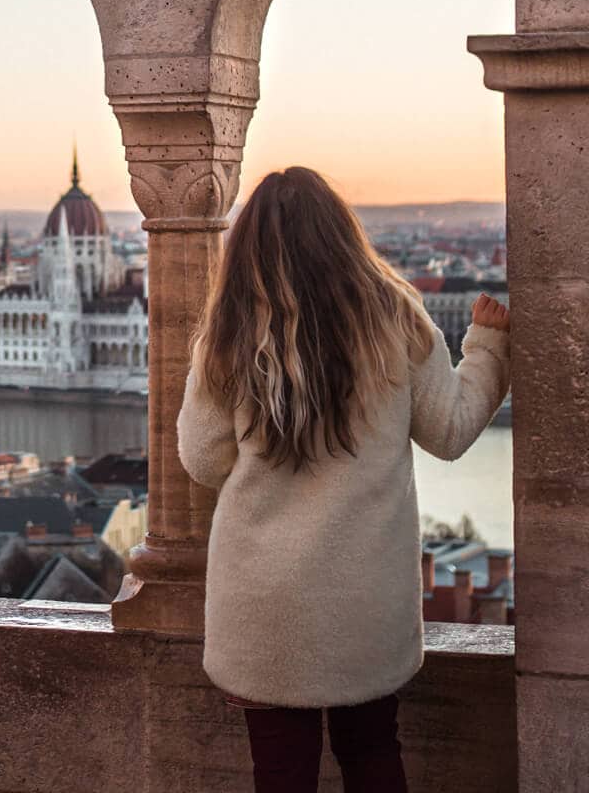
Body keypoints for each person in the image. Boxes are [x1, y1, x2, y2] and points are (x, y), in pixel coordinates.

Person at [177, 166, 511, 793]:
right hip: (365, 599)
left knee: (281, 774)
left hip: (263, 608)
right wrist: (487, 348)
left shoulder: (225, 337)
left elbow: (202, 460)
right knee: (374, 756)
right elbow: (452, 431)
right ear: (343, 234)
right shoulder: (399, 321)